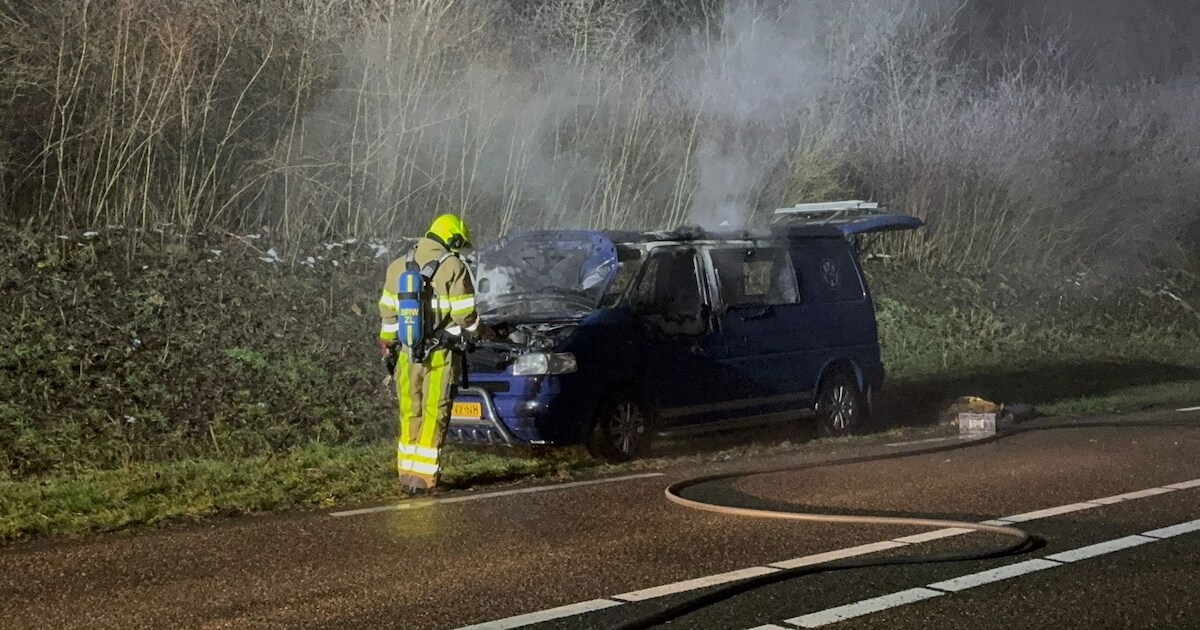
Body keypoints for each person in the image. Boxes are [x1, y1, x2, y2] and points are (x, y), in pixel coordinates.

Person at [377, 213, 493, 494]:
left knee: (410, 412)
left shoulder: (397, 266)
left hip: (406, 355)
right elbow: (465, 317)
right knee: (434, 413)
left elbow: (388, 317)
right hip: (440, 355)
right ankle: (424, 479)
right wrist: (484, 332)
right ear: (454, 239)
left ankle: (407, 475)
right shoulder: (454, 267)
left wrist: (389, 347)